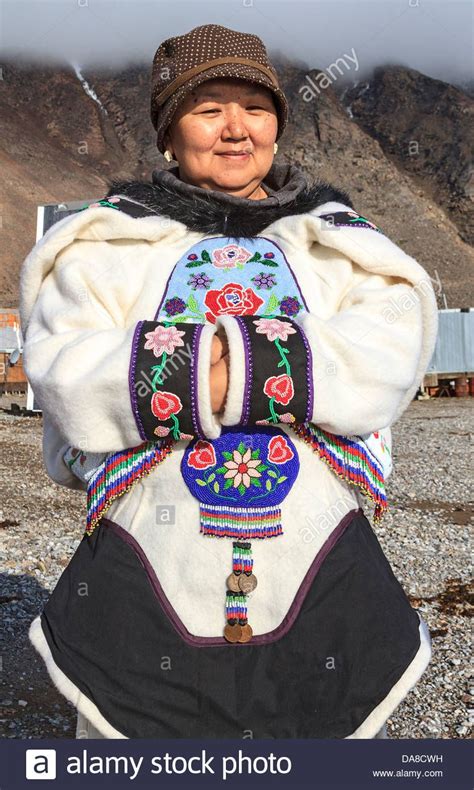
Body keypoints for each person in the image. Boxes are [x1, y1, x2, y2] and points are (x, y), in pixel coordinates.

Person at [20, 24, 438, 740]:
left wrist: (223, 369)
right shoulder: (104, 246)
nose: (236, 129)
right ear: (168, 131)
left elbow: (389, 351)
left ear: (278, 123)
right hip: (146, 553)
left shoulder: (340, 242)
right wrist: (285, 372)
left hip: (319, 552)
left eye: (256, 107)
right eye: (209, 107)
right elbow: (64, 367)